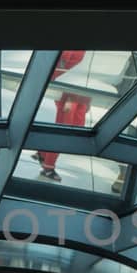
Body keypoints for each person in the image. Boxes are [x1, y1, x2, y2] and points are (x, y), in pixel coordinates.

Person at [33, 50, 88, 182]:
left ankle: (43, 153)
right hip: (69, 88)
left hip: (81, 87)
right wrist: (67, 94)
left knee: (77, 128)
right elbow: (61, 64)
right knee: (65, 130)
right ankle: (48, 167)